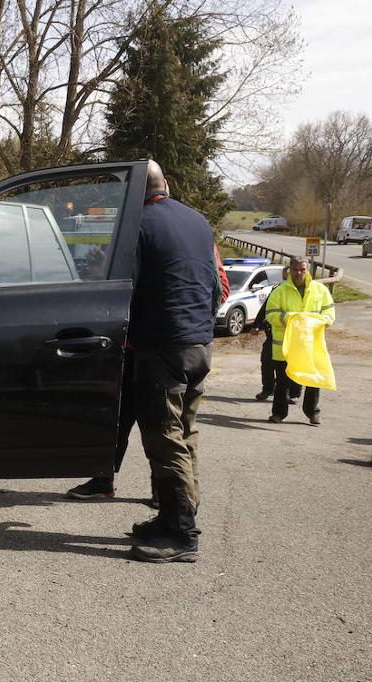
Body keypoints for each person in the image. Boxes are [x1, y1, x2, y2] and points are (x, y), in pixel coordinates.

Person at [66, 242, 228, 507]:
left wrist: (187, 324)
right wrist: (100, 272)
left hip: (164, 349)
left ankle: (165, 492)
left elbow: (221, 290)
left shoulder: (197, 241)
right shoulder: (133, 235)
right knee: (117, 418)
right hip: (129, 347)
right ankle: (103, 479)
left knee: (163, 423)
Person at [124, 160, 216, 563]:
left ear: (135, 191)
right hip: (199, 343)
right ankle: (172, 518)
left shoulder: (138, 225)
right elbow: (213, 284)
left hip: (163, 346)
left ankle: (182, 534)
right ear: (166, 183)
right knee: (186, 433)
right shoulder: (198, 221)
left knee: (164, 437)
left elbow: (126, 286)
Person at [265, 257, 335, 425]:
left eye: (302, 269)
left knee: (313, 380)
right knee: (282, 382)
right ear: (289, 270)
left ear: (308, 270)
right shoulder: (280, 291)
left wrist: (317, 320)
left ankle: (312, 412)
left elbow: (329, 316)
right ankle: (279, 413)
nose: (299, 273)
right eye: (295, 269)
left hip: (310, 346)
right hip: (285, 348)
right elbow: (270, 314)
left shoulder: (320, 290)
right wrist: (291, 318)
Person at [254, 266, 301, 404]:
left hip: (295, 336)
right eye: (285, 274)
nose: (286, 277)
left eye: (288, 274)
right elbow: (265, 308)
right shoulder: (277, 289)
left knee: (293, 364)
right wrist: (256, 325)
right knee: (267, 362)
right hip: (274, 334)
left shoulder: (301, 292)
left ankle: (294, 393)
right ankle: (268, 389)